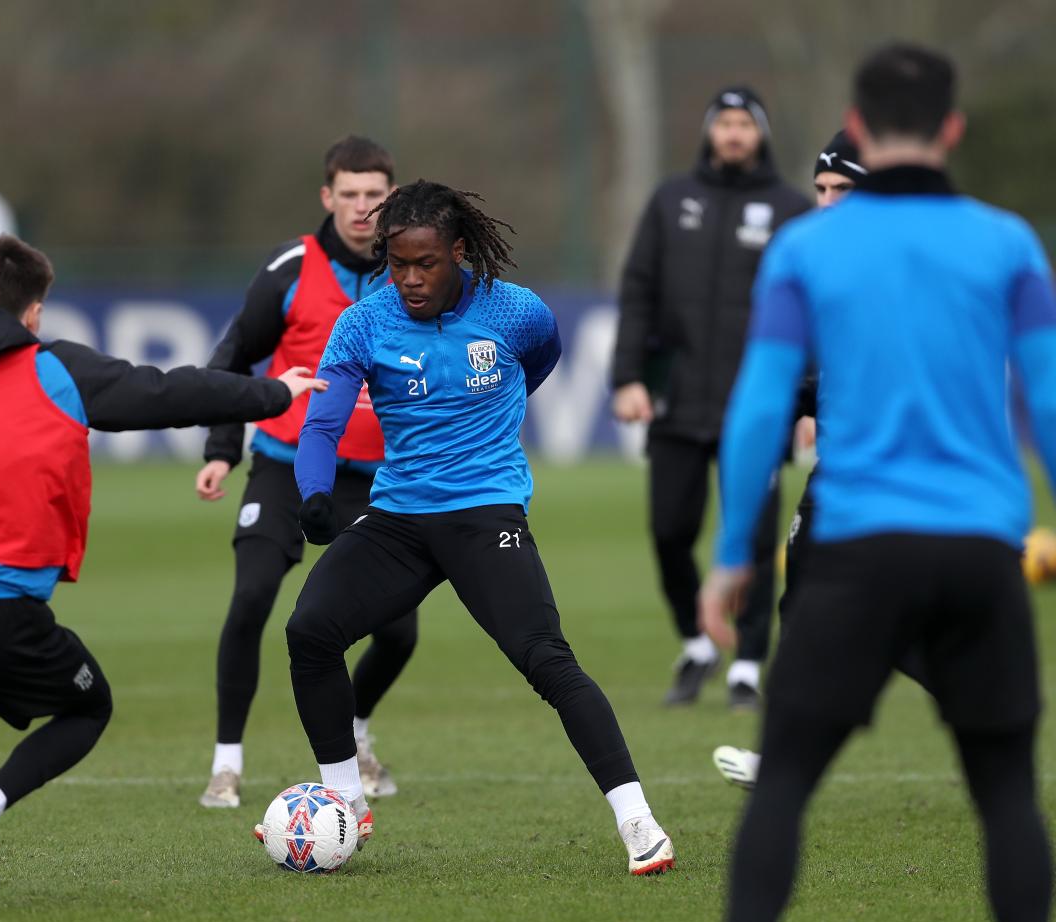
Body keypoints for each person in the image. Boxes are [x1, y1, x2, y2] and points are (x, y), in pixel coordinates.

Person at [0, 234, 325, 908]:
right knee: (86, 707)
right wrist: (273, 393)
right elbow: (165, 393)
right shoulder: (56, 371)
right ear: (34, 312)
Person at [700, 44, 1055, 922]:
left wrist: (733, 554)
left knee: (783, 786)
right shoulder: (1008, 243)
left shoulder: (807, 249)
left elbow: (760, 409)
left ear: (858, 126)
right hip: (981, 548)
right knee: (1007, 796)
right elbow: (1050, 399)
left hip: (856, 549)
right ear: (951, 129)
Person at [272, 179, 676, 875]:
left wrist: (490, 428)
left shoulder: (517, 312)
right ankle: (346, 805)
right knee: (309, 631)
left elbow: (540, 361)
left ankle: (638, 821)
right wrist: (314, 493)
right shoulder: (364, 323)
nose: (409, 279)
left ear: (458, 252)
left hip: (486, 514)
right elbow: (324, 424)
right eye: (397, 264)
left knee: (546, 659)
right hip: (399, 519)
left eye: (425, 263)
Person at [194, 135, 416, 808]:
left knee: (398, 631)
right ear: (327, 196)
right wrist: (222, 448)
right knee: (252, 598)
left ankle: (356, 731)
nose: (361, 207)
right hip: (285, 465)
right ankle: (226, 764)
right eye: (349, 194)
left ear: (391, 197)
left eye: (374, 194)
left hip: (376, 479)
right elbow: (234, 355)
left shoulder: (414, 267)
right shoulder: (291, 267)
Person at [612, 86, 812, 709]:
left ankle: (747, 662)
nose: (732, 133)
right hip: (678, 400)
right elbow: (638, 290)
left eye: (743, 123)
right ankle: (698, 641)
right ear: (709, 131)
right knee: (669, 530)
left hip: (758, 405)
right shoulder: (671, 200)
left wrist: (808, 403)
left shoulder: (790, 208)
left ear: (760, 134)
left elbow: (813, 312)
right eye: (723, 123)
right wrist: (627, 376)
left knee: (757, 539)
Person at [713, 130, 869, 788]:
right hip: (840, 472)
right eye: (822, 188)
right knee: (805, 608)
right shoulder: (819, 263)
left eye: (844, 189)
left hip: (881, 478)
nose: (827, 202)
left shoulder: (891, 265)